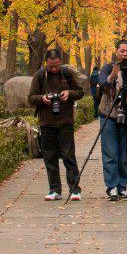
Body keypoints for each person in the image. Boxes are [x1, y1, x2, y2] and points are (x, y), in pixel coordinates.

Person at [28, 45, 85, 201]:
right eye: (51, 66)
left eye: (56, 66)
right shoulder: (39, 76)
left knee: (68, 156)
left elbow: (80, 92)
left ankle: (75, 189)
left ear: (61, 62)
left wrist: (69, 93)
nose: (54, 69)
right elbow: (31, 97)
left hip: (65, 121)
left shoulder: (67, 73)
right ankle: (55, 190)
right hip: (46, 123)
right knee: (50, 157)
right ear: (46, 63)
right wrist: (42, 99)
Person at [95, 38, 127, 200]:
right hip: (108, 115)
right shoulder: (107, 67)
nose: (124, 54)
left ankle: (122, 187)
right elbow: (101, 85)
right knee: (110, 153)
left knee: (123, 154)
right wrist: (111, 76)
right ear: (116, 52)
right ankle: (111, 187)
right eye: (122, 51)